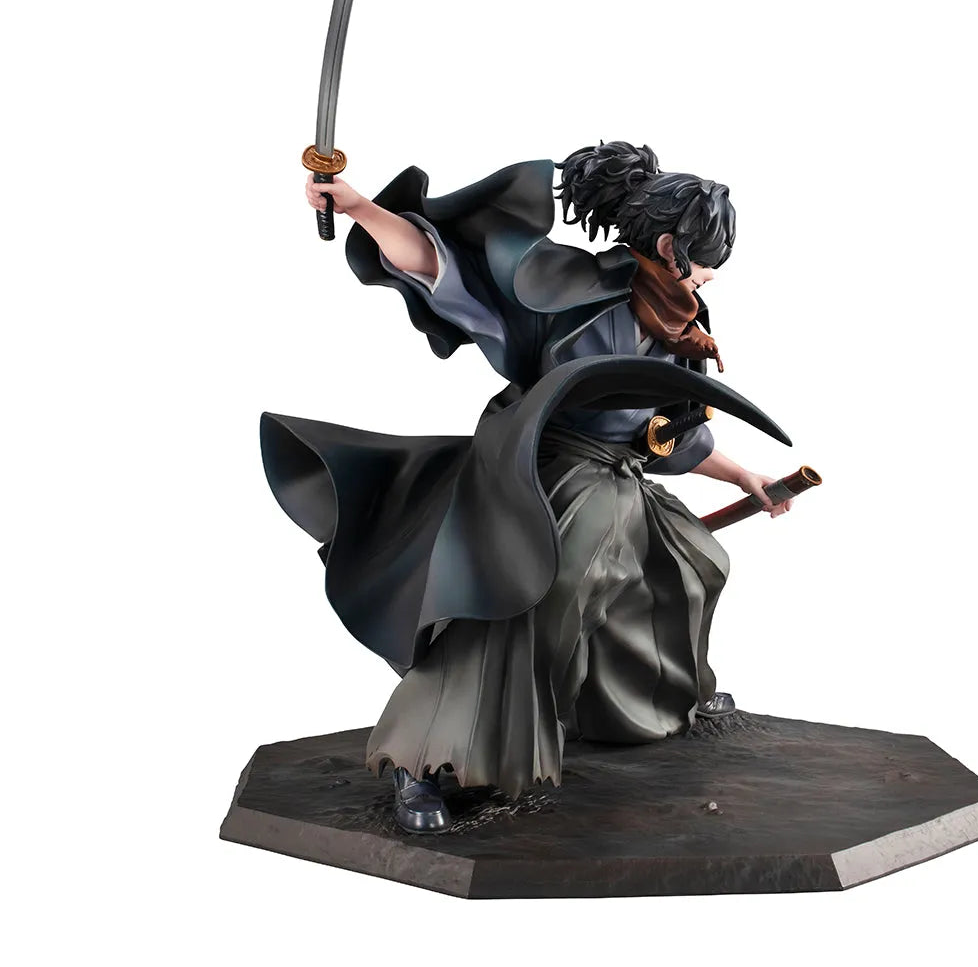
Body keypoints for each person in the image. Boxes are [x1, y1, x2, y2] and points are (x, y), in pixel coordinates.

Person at [261, 141, 794, 833]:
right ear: (669, 247)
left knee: (693, 561)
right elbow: (443, 268)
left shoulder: (680, 322)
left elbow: (671, 436)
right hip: (542, 477)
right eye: (707, 259)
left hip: (618, 481)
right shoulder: (567, 289)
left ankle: (636, 706)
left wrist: (746, 476)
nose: (712, 275)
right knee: (530, 597)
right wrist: (361, 208)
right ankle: (427, 760)